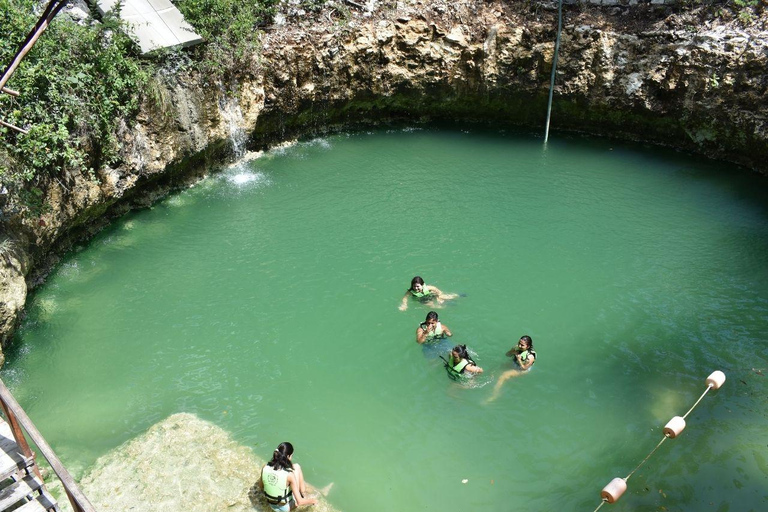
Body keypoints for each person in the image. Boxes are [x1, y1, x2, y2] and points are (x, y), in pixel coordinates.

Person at [259, 442, 317, 511]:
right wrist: (313, 501)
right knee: (297, 467)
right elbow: (299, 502)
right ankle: (304, 494)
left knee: (294, 470)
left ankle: (306, 491)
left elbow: (261, 486)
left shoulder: (265, 467)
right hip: (284, 509)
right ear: (288, 456)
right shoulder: (289, 475)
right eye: (291, 455)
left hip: (271, 504)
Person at [486, 336, 536, 403]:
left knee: (503, 376)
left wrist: (519, 360)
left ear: (528, 346)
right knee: (497, 370)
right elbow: (507, 355)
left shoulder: (530, 357)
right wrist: (512, 352)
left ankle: (495, 394)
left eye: (522, 345)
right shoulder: (517, 348)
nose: (519, 345)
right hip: (515, 364)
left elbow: (524, 368)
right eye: (519, 343)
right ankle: (495, 385)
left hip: (522, 369)